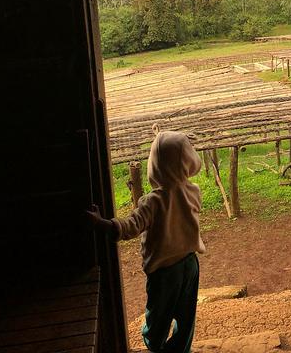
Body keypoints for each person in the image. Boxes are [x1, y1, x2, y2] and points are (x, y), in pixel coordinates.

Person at [87, 130, 205, 353]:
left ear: (155, 164)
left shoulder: (153, 202)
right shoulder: (193, 192)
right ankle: (179, 349)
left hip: (163, 272)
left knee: (158, 317)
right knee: (186, 316)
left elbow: (130, 226)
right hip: (190, 265)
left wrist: (101, 223)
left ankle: (155, 345)